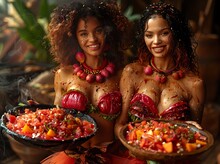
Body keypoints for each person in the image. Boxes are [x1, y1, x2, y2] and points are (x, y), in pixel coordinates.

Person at [41, 0, 131, 163]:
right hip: (71, 157)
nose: (92, 39)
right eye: (83, 33)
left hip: (110, 156)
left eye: (98, 31)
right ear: (73, 36)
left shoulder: (122, 75)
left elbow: (124, 123)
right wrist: (41, 117)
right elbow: (56, 120)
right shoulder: (63, 75)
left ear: (108, 32)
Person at [114, 2, 206, 163]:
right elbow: (120, 124)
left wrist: (189, 131)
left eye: (164, 33)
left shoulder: (194, 84)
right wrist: (136, 146)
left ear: (176, 34)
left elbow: (194, 139)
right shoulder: (132, 73)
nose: (156, 41)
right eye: (149, 35)